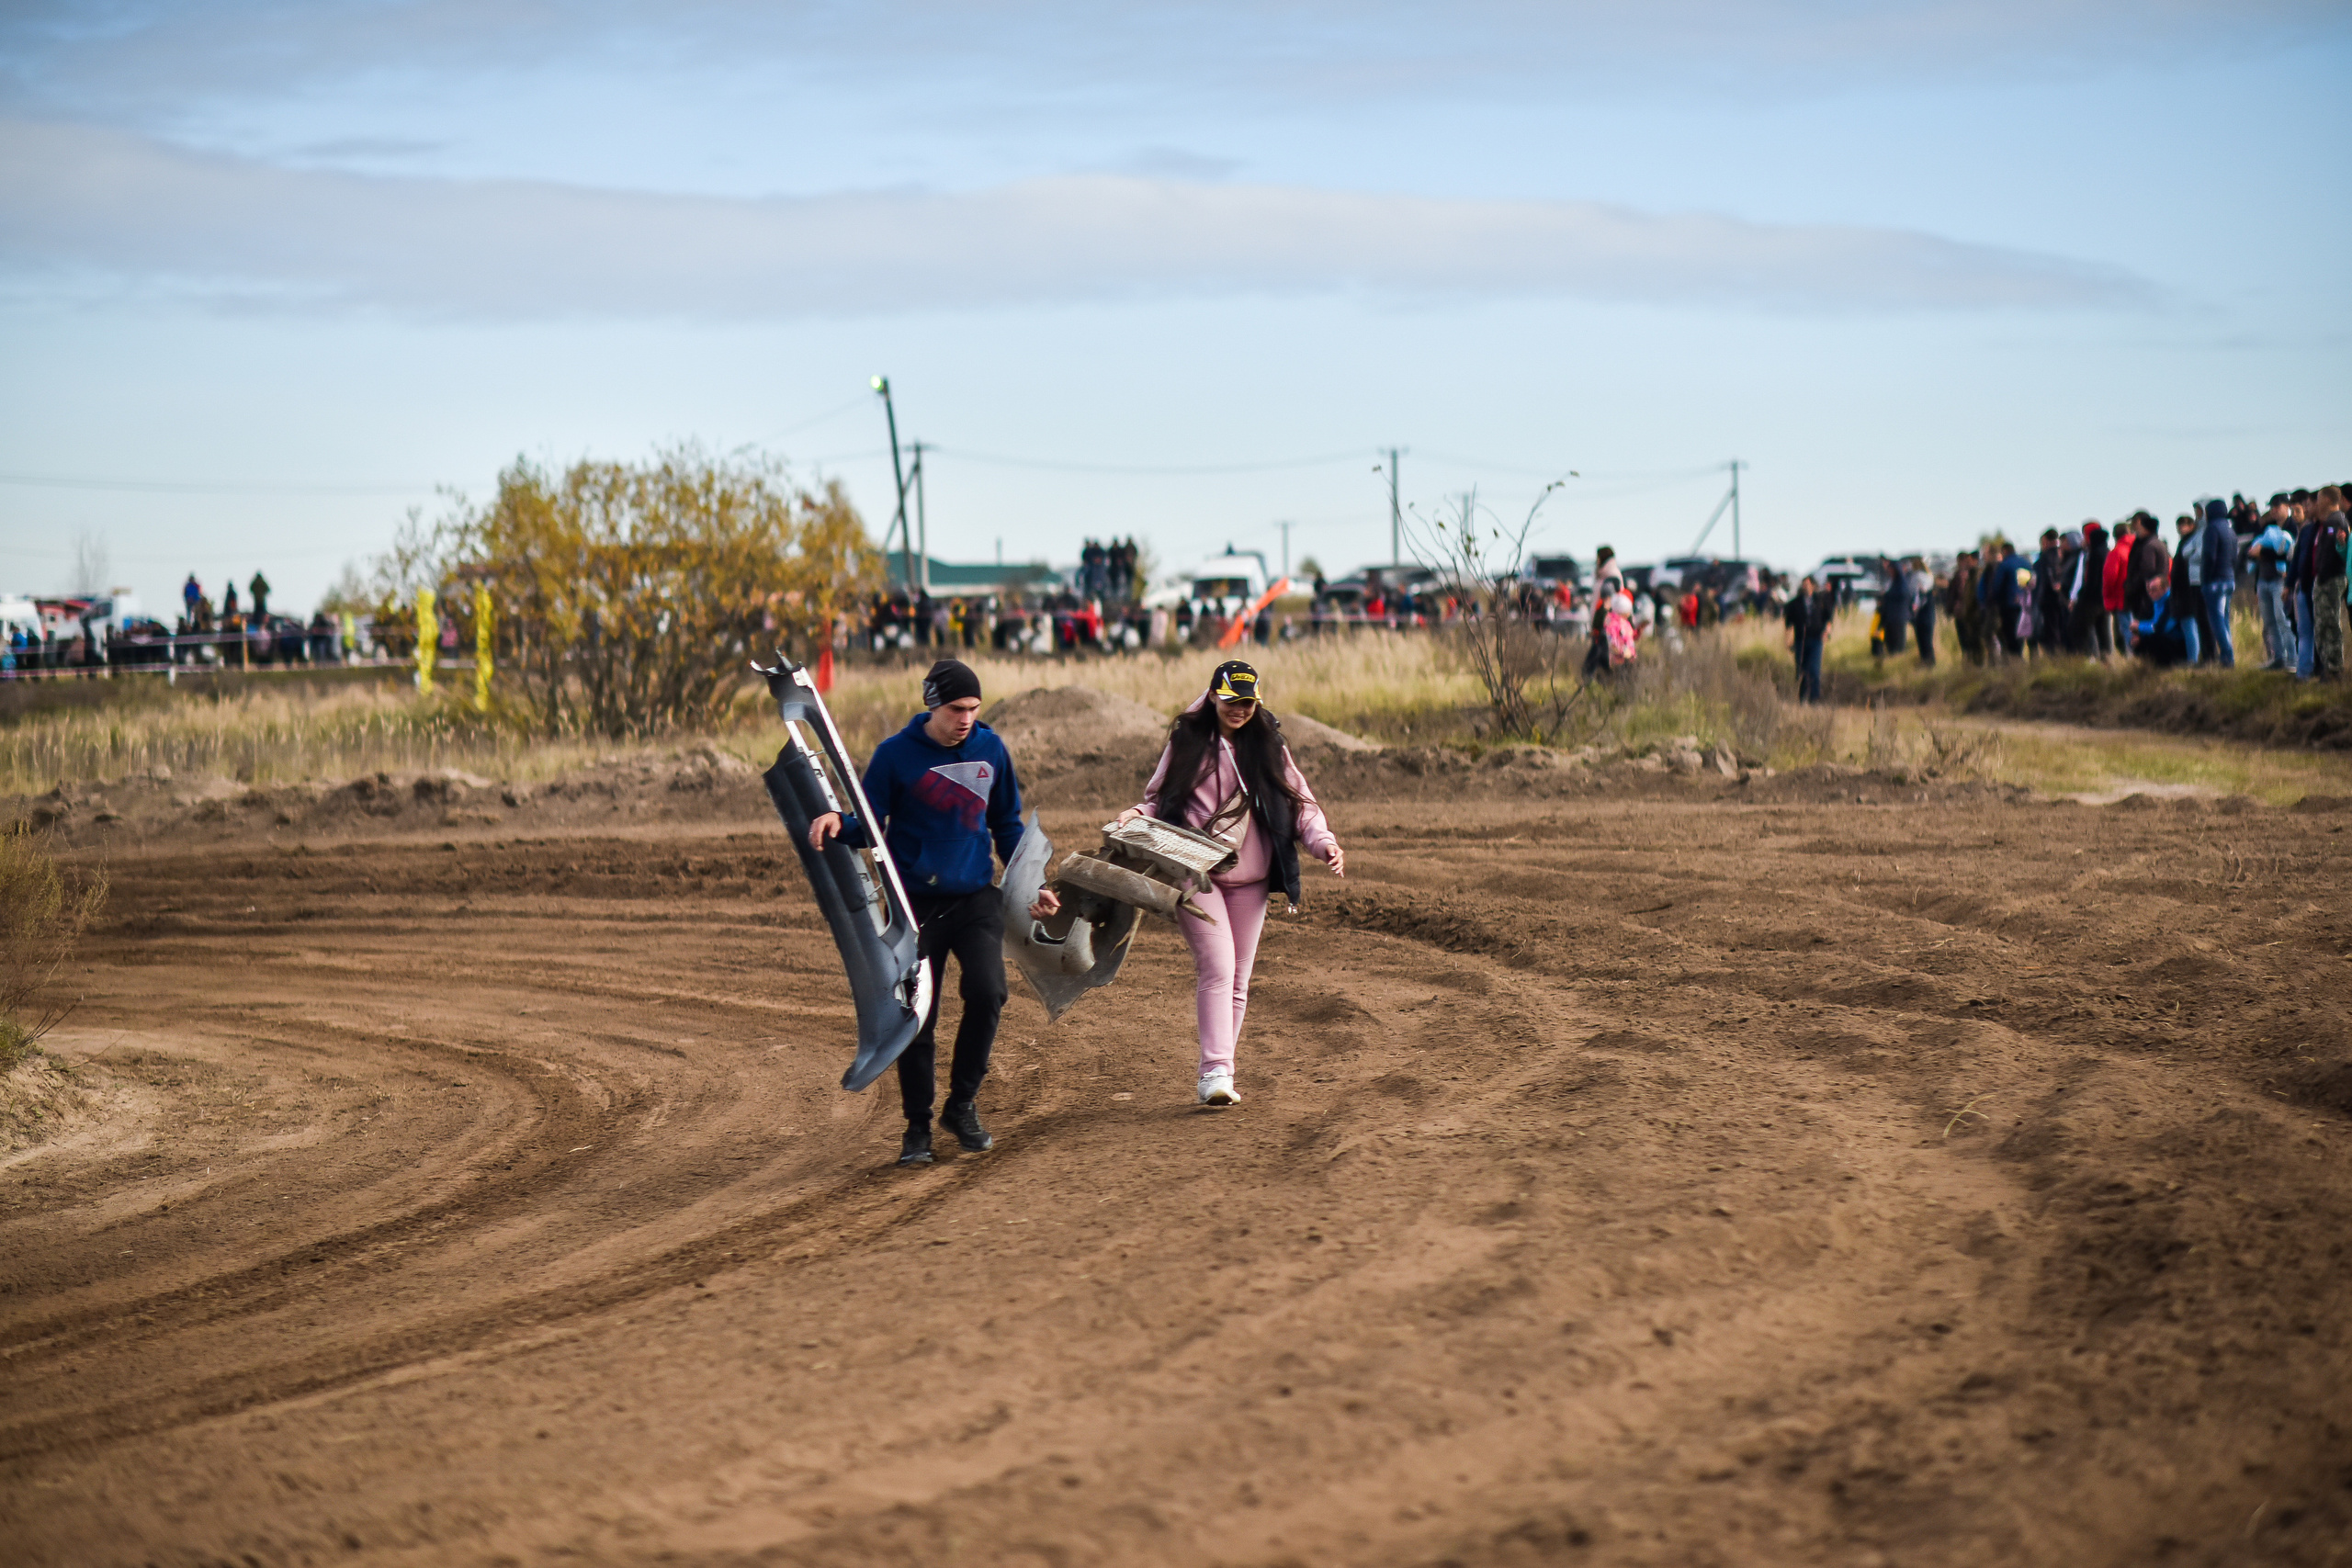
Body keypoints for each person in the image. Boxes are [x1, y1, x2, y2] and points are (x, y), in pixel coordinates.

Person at [807, 658, 1059, 1168]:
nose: (965, 718)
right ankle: (917, 1127)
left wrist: (1034, 881)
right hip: (915, 905)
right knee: (918, 1017)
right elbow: (870, 824)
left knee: (989, 992)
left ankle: (961, 1105)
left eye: (973, 708)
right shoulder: (895, 756)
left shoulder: (990, 749)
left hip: (975, 899)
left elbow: (1006, 825)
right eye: (955, 708)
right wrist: (838, 820)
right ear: (932, 705)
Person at [1114, 660, 1344, 1107]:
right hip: (1193, 873)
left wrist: (1324, 844)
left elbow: (1302, 805)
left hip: (1252, 879)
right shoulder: (1188, 741)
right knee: (1218, 967)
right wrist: (1137, 817)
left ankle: (1221, 1069)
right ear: (1213, 696)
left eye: (1247, 702)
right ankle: (1214, 1071)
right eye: (1230, 700)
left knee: (1238, 977)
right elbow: (1157, 799)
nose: (1238, 709)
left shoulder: (1268, 745)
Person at [2253, 499, 2296, 670]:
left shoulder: (2292, 527)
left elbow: (2288, 553)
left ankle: (2292, 659)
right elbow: (2253, 553)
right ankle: (2278, 658)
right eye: (2272, 507)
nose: (2274, 510)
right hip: (2263, 579)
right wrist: (2255, 585)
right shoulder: (2268, 527)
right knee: (2270, 622)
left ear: (2287, 507)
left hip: (2280, 580)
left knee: (2283, 620)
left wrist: (2263, 552)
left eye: (2277, 507)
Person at [2196, 498, 2238, 668]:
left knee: (2217, 620)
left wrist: (2205, 579)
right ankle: (2228, 656)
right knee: (2225, 619)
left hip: (2214, 582)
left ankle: (2227, 657)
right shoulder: (2230, 530)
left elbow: (2209, 557)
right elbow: (2235, 557)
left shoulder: (2212, 529)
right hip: (2229, 580)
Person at [1784, 574, 1829, 702]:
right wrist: (1788, 640)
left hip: (1816, 639)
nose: (1805, 586)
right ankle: (1802, 698)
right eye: (1804, 584)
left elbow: (1828, 618)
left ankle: (1814, 699)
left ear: (1813, 586)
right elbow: (1788, 624)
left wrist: (1826, 631)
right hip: (1800, 640)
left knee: (1814, 670)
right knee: (1801, 671)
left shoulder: (1820, 601)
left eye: (1808, 584)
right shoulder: (1795, 603)